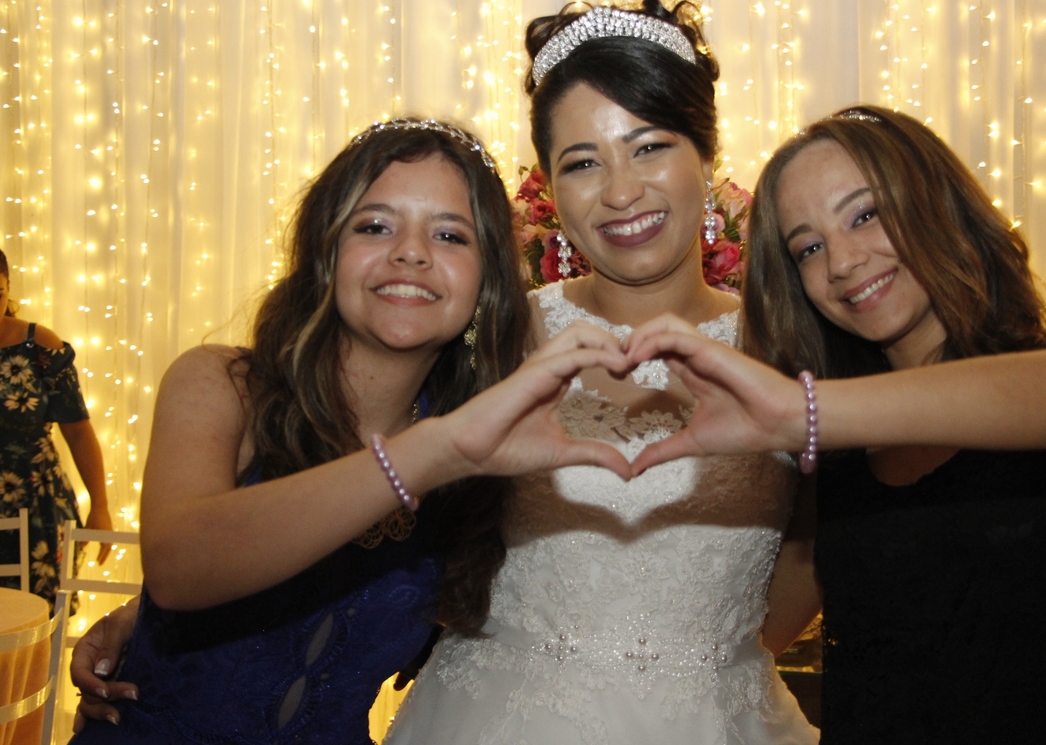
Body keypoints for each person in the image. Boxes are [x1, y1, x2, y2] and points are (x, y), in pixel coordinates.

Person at [622, 105, 1046, 744]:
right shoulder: (841, 464)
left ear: (939, 204)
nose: (841, 262)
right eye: (809, 247)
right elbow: (743, 638)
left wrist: (800, 412)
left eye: (865, 214)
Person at [67, 118, 631, 744]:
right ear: (325, 252)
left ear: (486, 284)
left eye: (449, 234)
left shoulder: (487, 460)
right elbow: (178, 570)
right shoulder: (222, 386)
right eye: (375, 226)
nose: (411, 252)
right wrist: (431, 452)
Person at [384, 0, 818, 745]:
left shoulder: (787, 344)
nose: (621, 192)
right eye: (583, 162)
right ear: (551, 186)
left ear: (705, 157)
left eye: (649, 147)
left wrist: (695, 672)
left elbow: (817, 546)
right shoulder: (496, 330)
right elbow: (373, 477)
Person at [0, 248, 112, 604]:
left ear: (9, 288)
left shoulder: (39, 345)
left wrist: (101, 506)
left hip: (35, 504)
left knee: (34, 622)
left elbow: (78, 430)